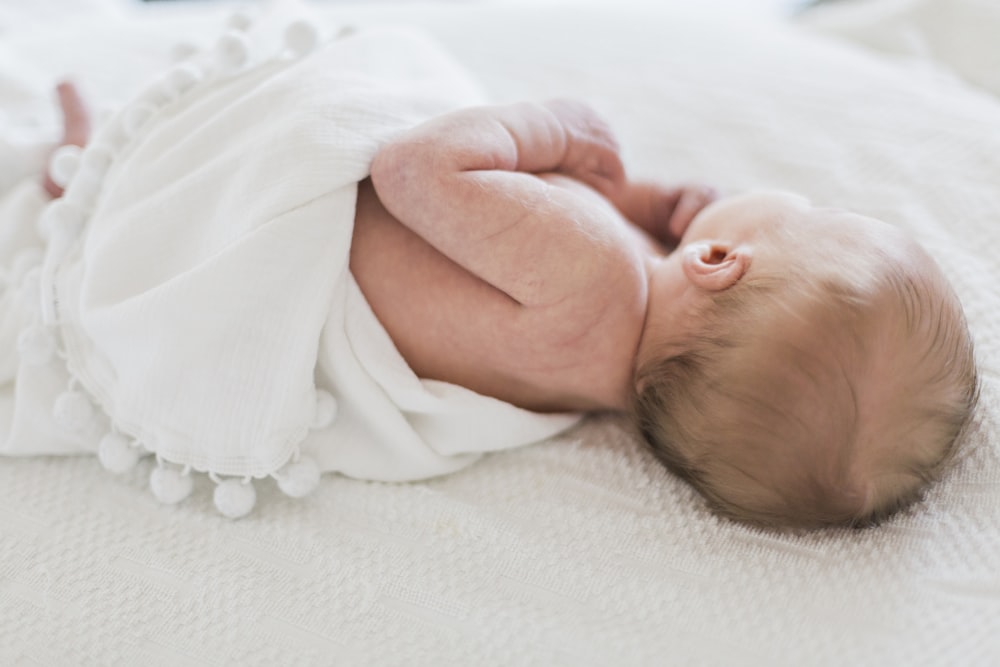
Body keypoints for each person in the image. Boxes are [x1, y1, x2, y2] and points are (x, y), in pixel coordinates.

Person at [37, 86, 979, 528]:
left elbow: (415, 171)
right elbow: (548, 247)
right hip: (292, 314)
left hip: (257, 247)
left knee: (257, 141)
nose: (797, 195)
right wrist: (646, 209)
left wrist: (551, 127)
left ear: (723, 259)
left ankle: (88, 178)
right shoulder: (593, 374)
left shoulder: (594, 269)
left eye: (811, 215)